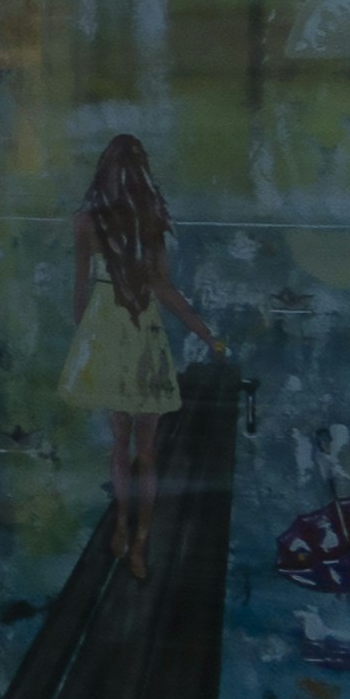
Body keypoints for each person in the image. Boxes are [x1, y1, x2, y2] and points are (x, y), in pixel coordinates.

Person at [59, 133, 214, 574]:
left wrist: (86, 342)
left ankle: (123, 530)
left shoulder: (87, 221)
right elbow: (165, 289)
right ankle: (140, 539)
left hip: (108, 332)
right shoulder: (150, 220)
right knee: (146, 451)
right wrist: (206, 334)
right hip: (144, 333)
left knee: (121, 443)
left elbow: (79, 293)